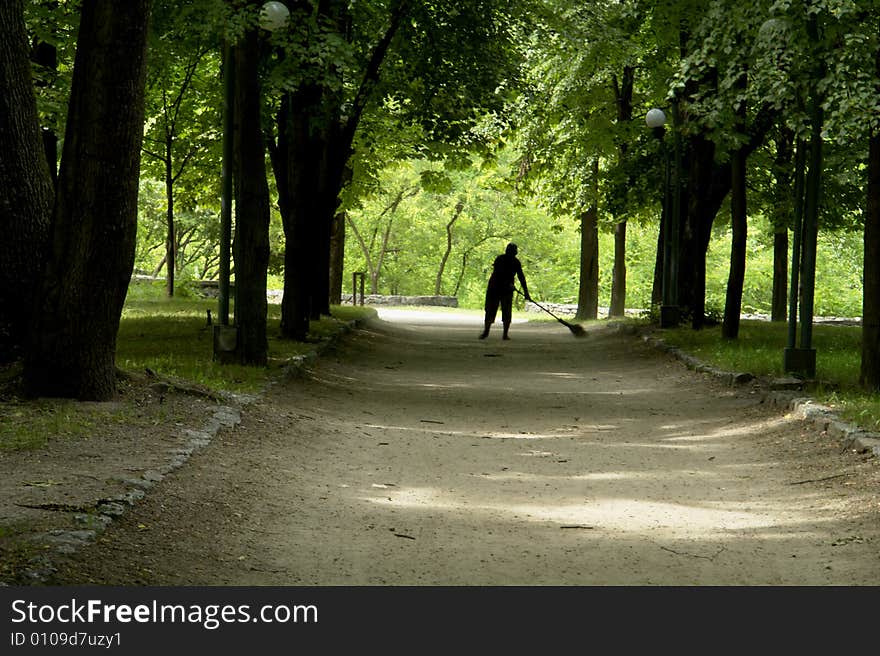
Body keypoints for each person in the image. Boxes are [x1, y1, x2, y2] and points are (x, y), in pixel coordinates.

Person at [479, 243, 531, 340]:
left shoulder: (516, 262)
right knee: (490, 310)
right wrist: (508, 284)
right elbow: (498, 273)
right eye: (514, 250)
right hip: (494, 287)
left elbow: (521, 277)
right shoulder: (500, 259)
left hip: (506, 290)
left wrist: (526, 292)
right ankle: (486, 332)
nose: (515, 252)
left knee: (506, 311)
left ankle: (505, 334)